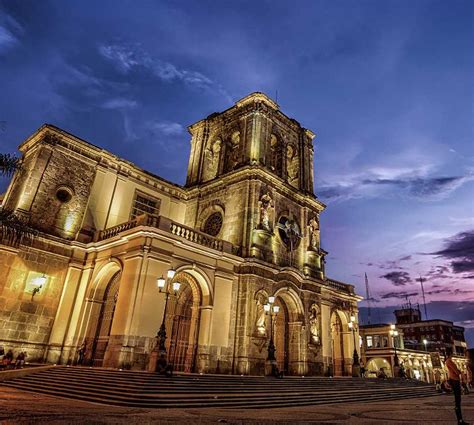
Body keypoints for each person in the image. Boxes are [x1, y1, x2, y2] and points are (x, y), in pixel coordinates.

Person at [445, 347, 469, 425]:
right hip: (454, 380)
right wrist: (460, 371)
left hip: (454, 380)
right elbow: (456, 371)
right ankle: (460, 420)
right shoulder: (449, 361)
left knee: (458, 400)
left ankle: (460, 420)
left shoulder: (449, 361)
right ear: (450, 353)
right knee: (458, 401)